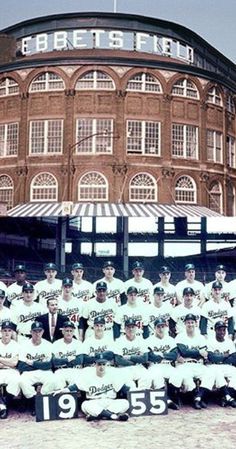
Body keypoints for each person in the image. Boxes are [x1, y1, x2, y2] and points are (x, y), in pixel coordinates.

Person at [53, 353, 130, 422]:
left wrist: (138, 390)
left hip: (110, 401)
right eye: (99, 364)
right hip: (94, 402)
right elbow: (74, 387)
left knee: (125, 403)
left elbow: (126, 389)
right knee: (85, 405)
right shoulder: (88, 376)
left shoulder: (113, 375)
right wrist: (62, 391)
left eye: (103, 364)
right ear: (95, 365)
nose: (101, 367)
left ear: (107, 365)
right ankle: (113, 416)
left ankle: (99, 415)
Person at [175, 314, 215, 409]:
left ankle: (198, 398)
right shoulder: (180, 336)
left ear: (196, 324)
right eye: (188, 322)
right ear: (185, 324)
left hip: (198, 364)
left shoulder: (200, 337)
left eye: (192, 322)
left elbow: (204, 353)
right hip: (184, 364)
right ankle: (196, 398)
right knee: (187, 379)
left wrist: (194, 353)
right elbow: (183, 352)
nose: (190, 324)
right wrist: (198, 352)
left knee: (210, 374)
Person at [18, 321, 54, 415]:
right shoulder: (24, 345)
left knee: (53, 380)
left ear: (43, 332)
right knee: (22, 381)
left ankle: (41, 398)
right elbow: (21, 366)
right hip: (30, 373)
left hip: (45, 372)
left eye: (39, 331)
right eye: (35, 331)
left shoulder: (48, 345)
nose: (37, 333)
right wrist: (40, 365)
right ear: (31, 332)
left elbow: (49, 365)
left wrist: (32, 363)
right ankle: (35, 402)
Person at [147, 318, 183, 410]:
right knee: (157, 377)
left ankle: (172, 397)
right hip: (155, 365)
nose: (161, 329)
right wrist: (167, 355)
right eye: (158, 327)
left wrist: (161, 355)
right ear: (154, 328)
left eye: (163, 326)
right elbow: (151, 357)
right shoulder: (149, 340)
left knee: (177, 375)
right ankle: (166, 400)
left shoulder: (170, 340)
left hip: (167, 365)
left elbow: (174, 356)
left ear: (166, 327)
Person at [114, 318, 154, 390]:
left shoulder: (141, 340)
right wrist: (136, 360)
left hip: (138, 367)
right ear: (124, 329)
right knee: (130, 385)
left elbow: (144, 358)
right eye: (128, 327)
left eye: (133, 327)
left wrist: (129, 357)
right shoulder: (119, 341)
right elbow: (118, 360)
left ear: (136, 328)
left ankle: (143, 396)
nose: (131, 329)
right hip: (124, 368)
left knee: (147, 377)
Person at [207, 320, 236, 407]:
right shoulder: (210, 341)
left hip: (226, 366)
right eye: (219, 330)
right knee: (217, 372)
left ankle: (226, 396)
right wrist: (225, 355)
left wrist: (219, 358)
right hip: (213, 366)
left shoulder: (229, 342)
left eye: (224, 330)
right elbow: (211, 357)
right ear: (215, 330)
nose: (222, 332)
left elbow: (234, 358)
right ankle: (227, 396)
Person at [50, 321, 83, 391]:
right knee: (58, 386)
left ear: (73, 332)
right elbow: (54, 362)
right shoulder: (56, 344)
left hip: (75, 370)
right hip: (60, 370)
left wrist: (62, 361)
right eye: (67, 331)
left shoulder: (78, 343)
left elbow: (79, 361)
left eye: (71, 331)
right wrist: (67, 360)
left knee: (74, 387)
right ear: (63, 332)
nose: (69, 333)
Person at [0, 321, 21, 419]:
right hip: (1, 370)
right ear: (1, 331)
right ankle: (4, 405)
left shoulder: (16, 345)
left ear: (12, 332)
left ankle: (3, 404)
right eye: (5, 330)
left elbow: (14, 363)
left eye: (9, 330)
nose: (7, 333)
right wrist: (8, 362)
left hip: (12, 371)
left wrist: (1, 360)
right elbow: (11, 362)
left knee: (17, 380)